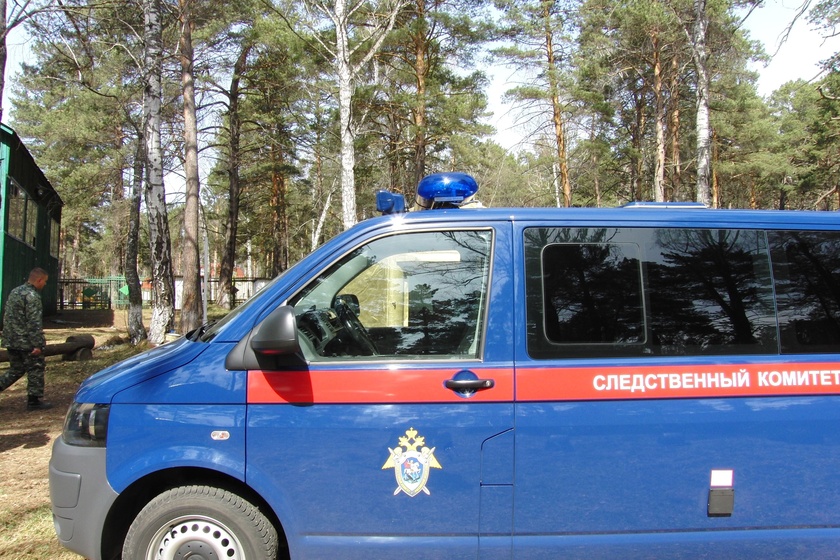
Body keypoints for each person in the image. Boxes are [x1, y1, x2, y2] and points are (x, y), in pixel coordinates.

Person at [0, 267, 51, 410]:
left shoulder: (15, 292)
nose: (45, 284)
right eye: (45, 281)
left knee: (16, 369)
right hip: (25, 341)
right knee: (36, 367)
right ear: (39, 280)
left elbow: (8, 316)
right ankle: (34, 401)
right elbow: (34, 322)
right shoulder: (32, 296)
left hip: (11, 340)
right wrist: (37, 345)